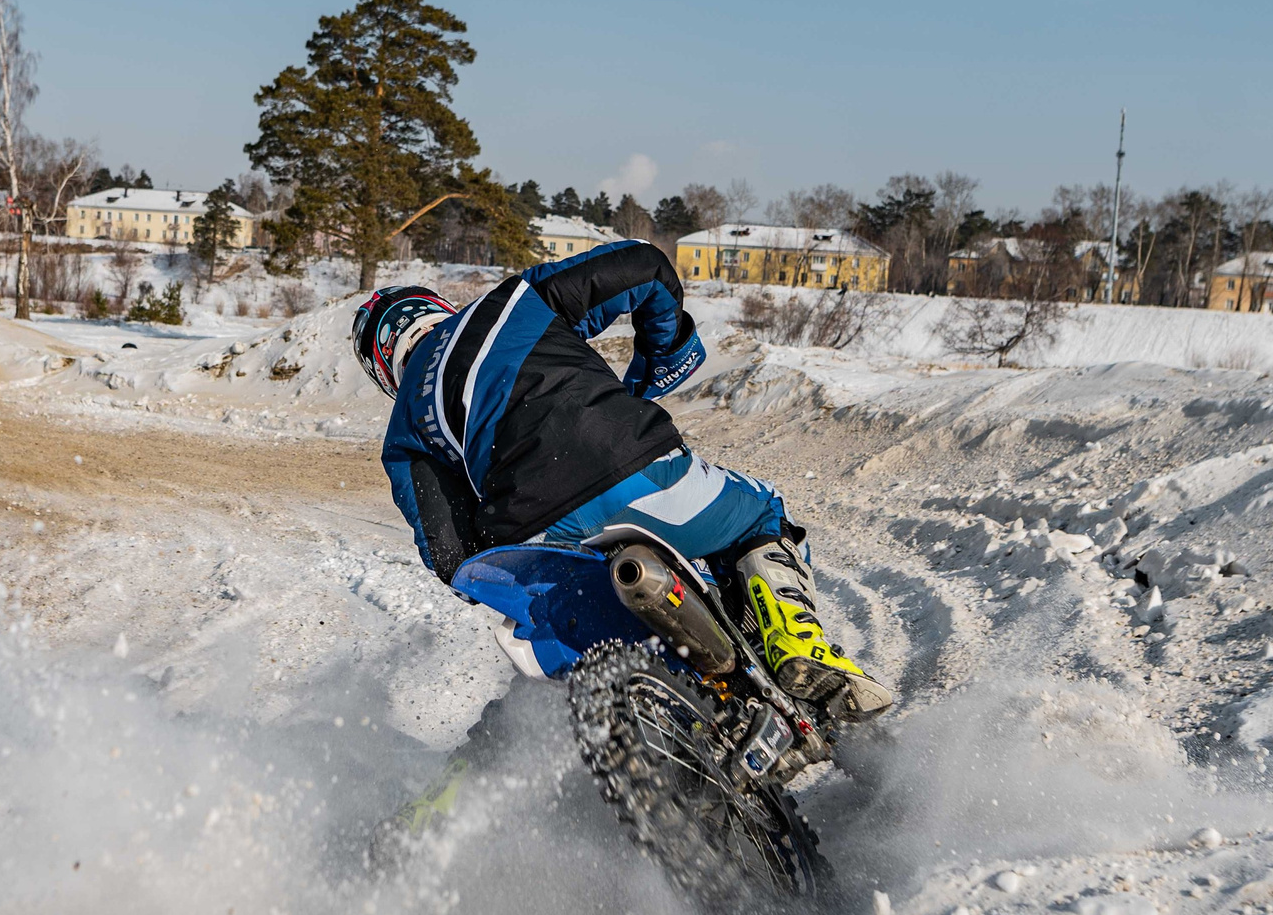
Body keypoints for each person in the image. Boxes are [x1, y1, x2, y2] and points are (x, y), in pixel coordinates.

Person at [353, 238, 893, 719]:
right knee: (762, 512)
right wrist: (664, 354)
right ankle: (798, 646)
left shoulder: (404, 427)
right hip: (636, 473)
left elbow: (452, 556)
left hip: (538, 541)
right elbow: (644, 267)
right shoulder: (511, 303)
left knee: (554, 683)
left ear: (384, 365)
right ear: (437, 307)